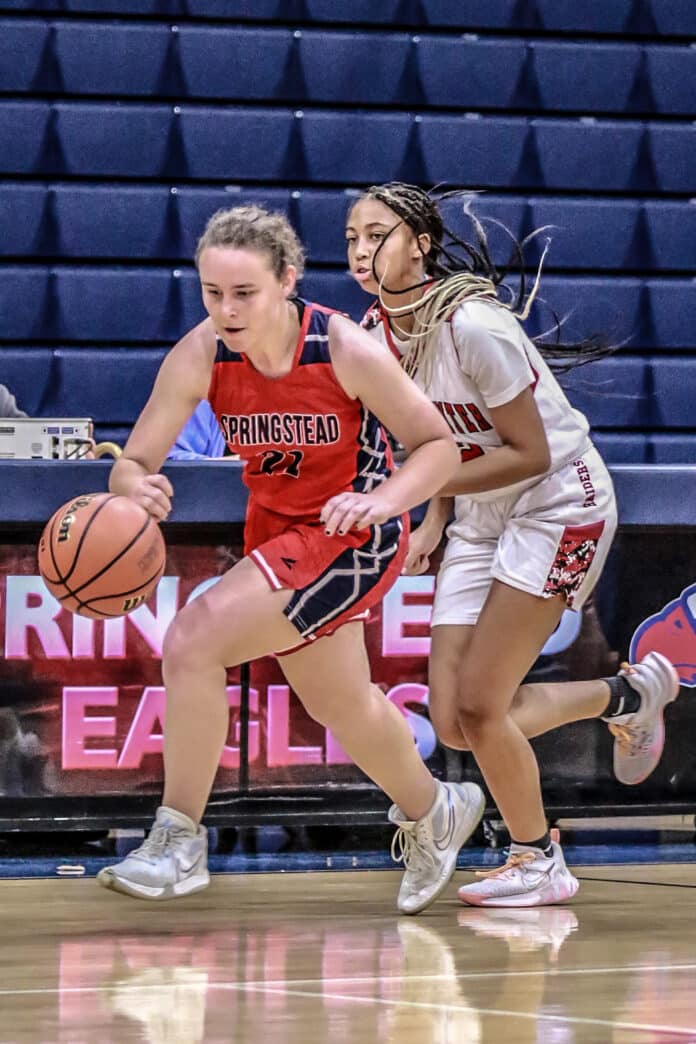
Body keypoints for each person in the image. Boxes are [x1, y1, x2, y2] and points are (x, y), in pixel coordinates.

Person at [96, 204, 485, 914]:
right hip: (278, 534)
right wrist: (134, 483)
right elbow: (135, 458)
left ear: (288, 282)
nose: (227, 308)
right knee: (338, 704)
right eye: (213, 293)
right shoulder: (202, 352)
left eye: (244, 293)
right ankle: (437, 808)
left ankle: (179, 839)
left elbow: (436, 447)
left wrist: (381, 501)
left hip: (353, 537)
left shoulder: (340, 347)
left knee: (191, 640)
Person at [345, 182, 680, 908]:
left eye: (378, 234)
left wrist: (411, 492)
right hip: (477, 509)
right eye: (351, 238)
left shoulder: (475, 326)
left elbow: (527, 452)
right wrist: (434, 516)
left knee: (482, 704)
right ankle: (625, 695)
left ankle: (537, 857)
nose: (362, 251)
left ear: (422, 244)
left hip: (560, 501)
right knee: (452, 720)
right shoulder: (372, 336)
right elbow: (437, 442)